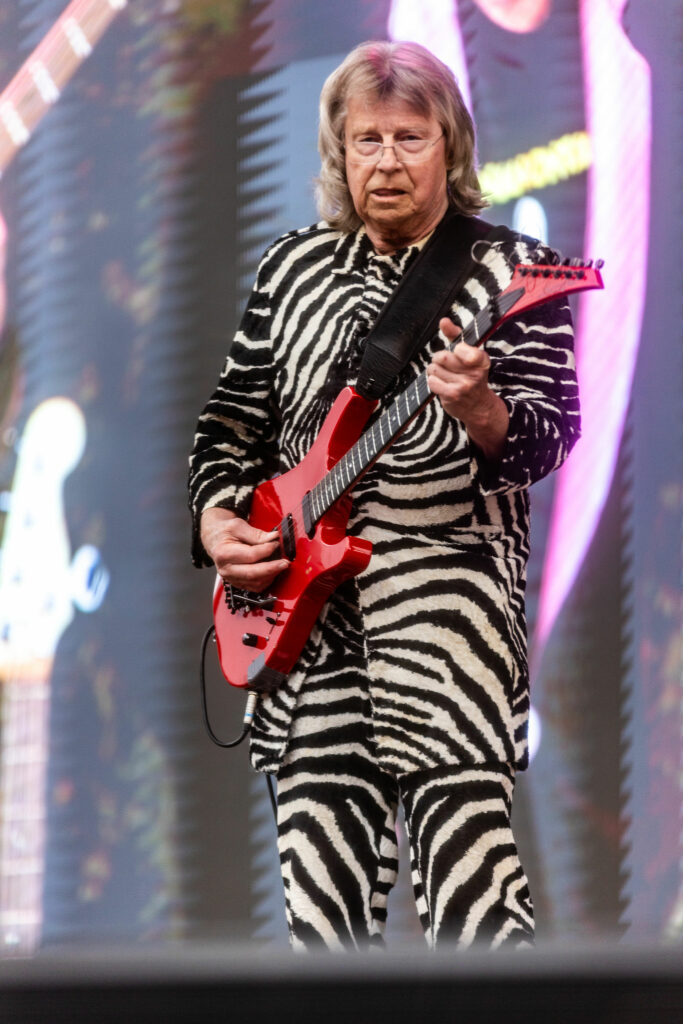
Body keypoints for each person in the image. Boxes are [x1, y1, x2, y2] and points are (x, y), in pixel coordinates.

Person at [188, 40, 580, 950]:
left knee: (477, 920)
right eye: (367, 140)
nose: (387, 160)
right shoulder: (289, 269)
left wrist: (478, 406)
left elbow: (549, 436)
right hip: (305, 647)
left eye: (409, 138)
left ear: (450, 146)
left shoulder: (514, 272)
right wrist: (217, 522)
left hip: (448, 638)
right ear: (339, 150)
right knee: (321, 934)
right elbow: (228, 427)